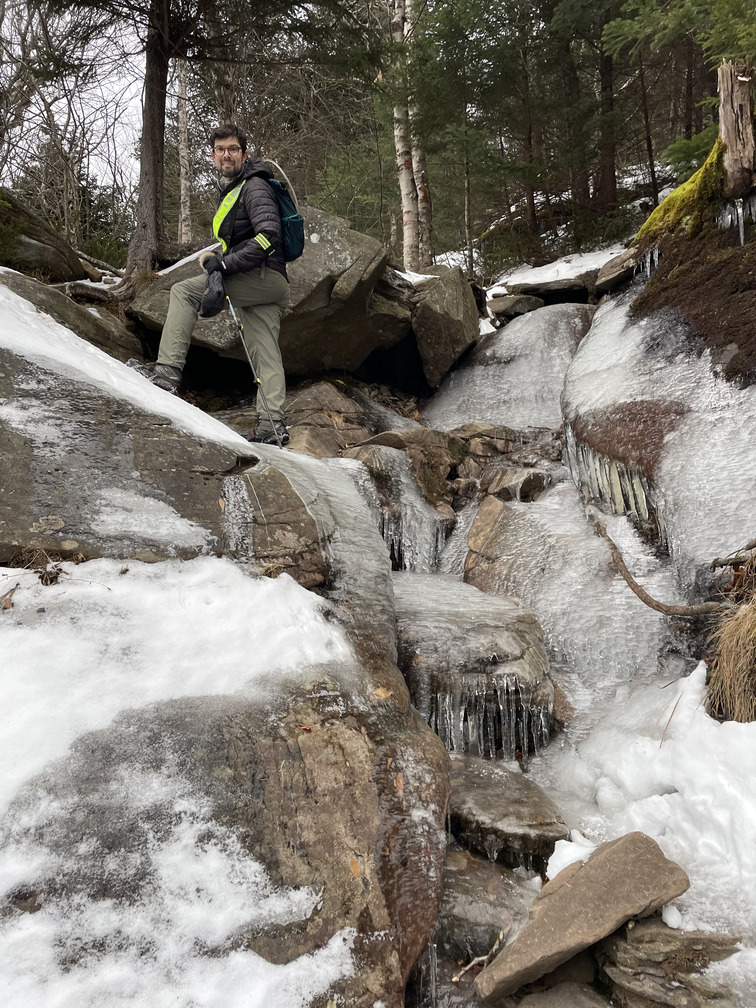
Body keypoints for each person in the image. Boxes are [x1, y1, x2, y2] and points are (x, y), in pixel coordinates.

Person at [130, 124, 291, 446]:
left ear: (244, 154)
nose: (226, 155)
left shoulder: (254, 187)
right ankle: (272, 424)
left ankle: (167, 373)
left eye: (232, 149)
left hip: (262, 276)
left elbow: (268, 236)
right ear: (213, 156)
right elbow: (245, 239)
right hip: (268, 281)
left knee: (184, 291)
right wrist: (218, 255)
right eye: (220, 150)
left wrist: (225, 264)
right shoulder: (237, 189)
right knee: (265, 350)